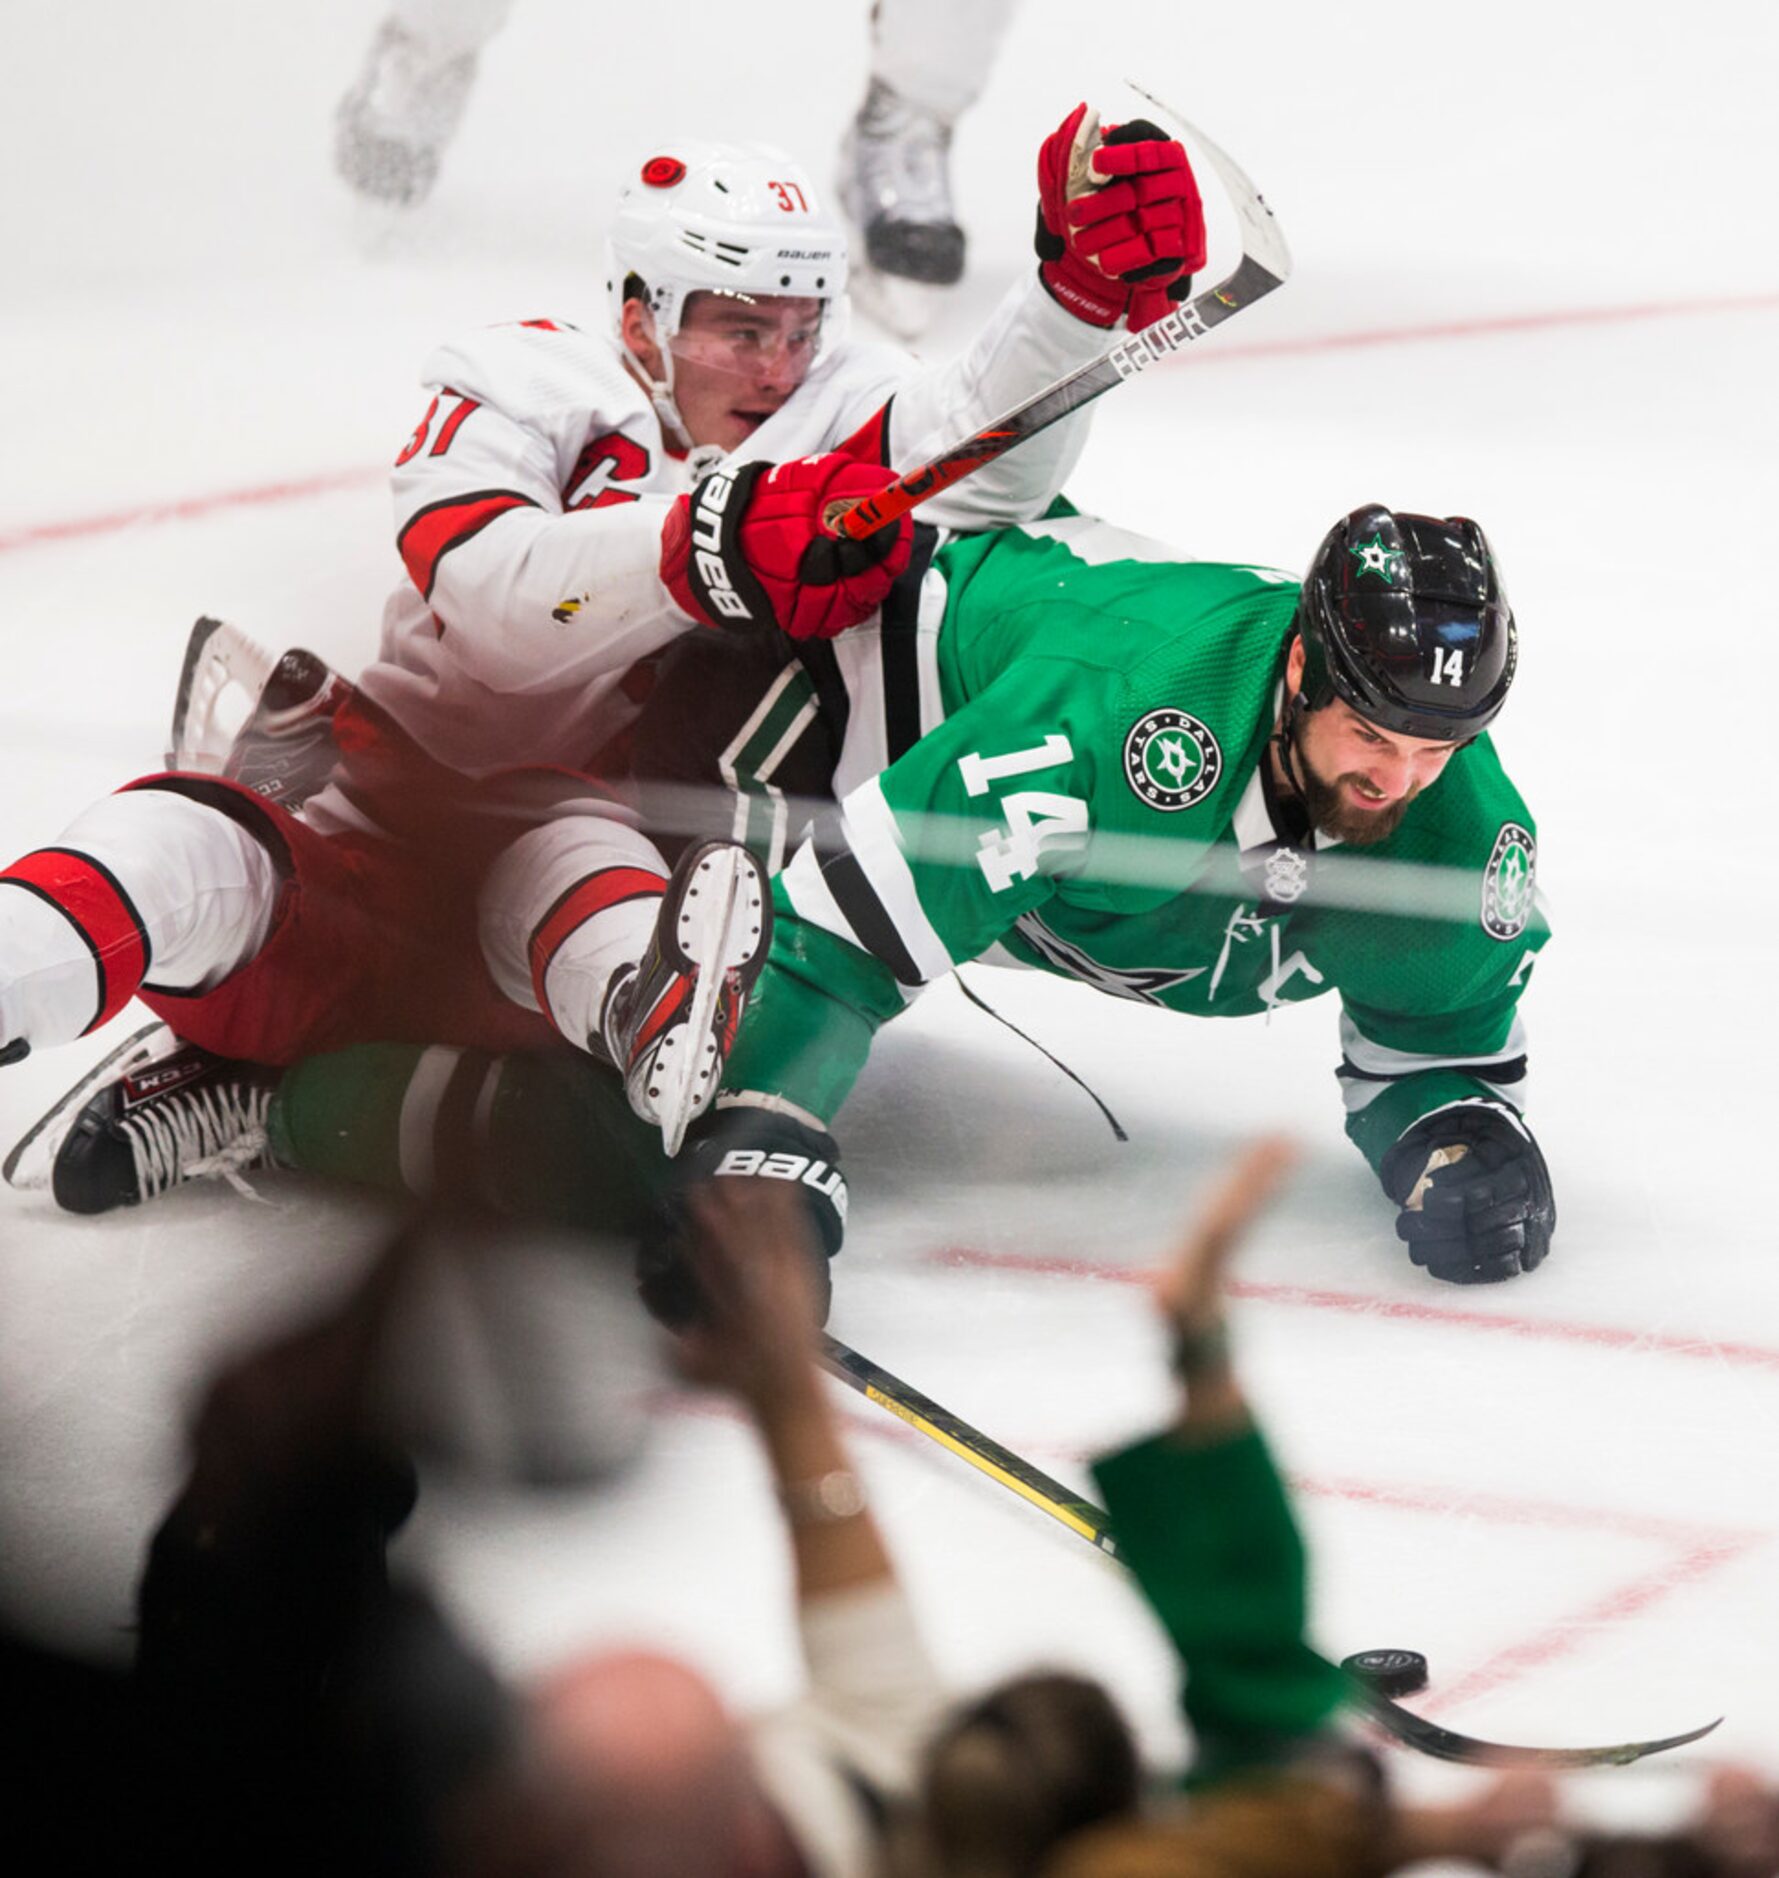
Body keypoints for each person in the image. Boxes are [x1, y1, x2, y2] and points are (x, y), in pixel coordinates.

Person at [0, 115, 1204, 1208]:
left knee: (575, 867)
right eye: (740, 331)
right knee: (180, 845)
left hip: (592, 883)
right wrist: (706, 543)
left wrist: (1074, 304)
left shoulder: (835, 398)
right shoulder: (519, 382)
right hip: (381, 829)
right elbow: (489, 604)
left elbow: (974, 459)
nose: (779, 367)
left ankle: (598, 1037)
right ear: (639, 317)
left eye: (798, 329)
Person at [177, 498, 1549, 1306]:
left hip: (1007, 792)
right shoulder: (1109, 732)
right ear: (1305, 665)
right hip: (867, 684)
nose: (1398, 775)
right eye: (1374, 732)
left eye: (1437, 743)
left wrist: (1458, 1136)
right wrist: (763, 1145)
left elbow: (1438, 1046)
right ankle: (303, 995)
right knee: (655, 1093)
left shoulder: (1455, 832)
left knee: (669, 1090)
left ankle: (357, 824)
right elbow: (840, 943)